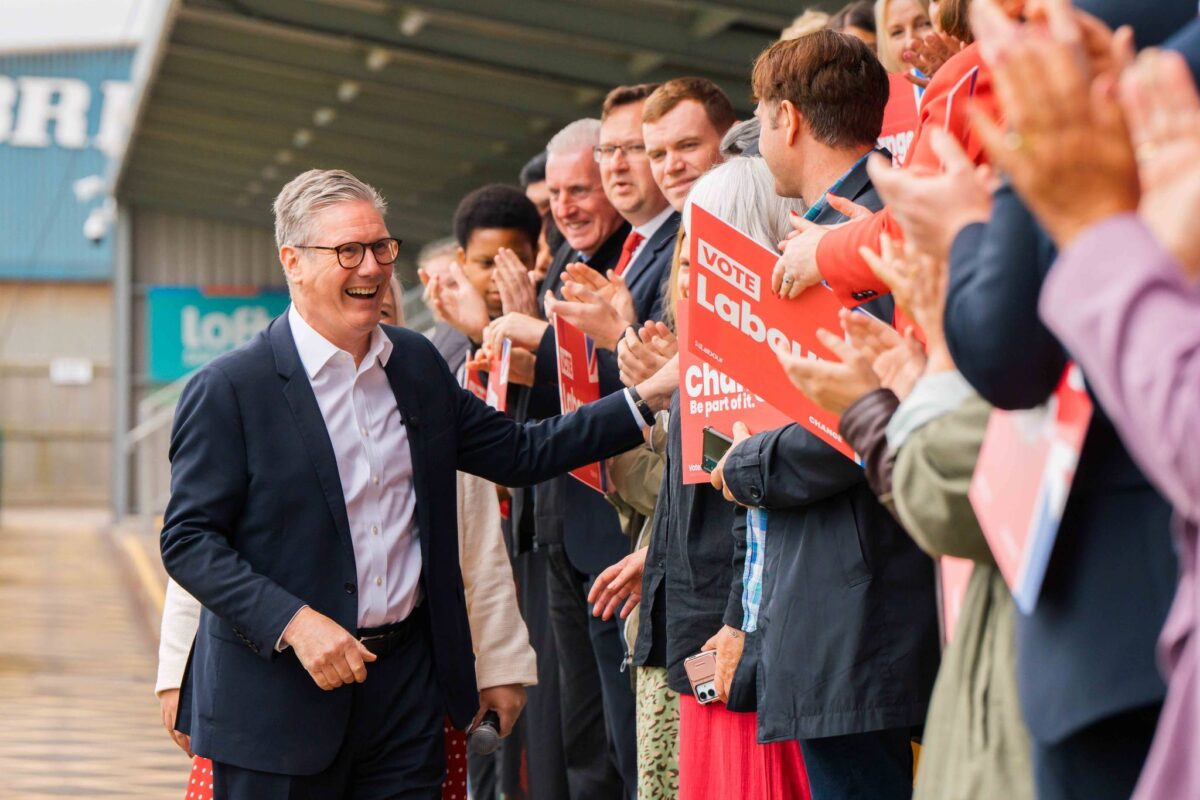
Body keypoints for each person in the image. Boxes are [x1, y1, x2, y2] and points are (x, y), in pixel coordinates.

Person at [159, 168, 673, 798]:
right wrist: (295, 624)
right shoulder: (230, 389)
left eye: (380, 247)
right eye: (347, 251)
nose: (371, 268)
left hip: (406, 698)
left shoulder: (416, 364)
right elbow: (189, 541)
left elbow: (521, 451)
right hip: (278, 702)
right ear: (292, 262)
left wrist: (646, 396)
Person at [710, 32, 940, 800]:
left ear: (786, 119)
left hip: (863, 596)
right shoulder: (858, 219)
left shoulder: (856, 231)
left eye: (757, 116)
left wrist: (743, 465)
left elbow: (855, 409)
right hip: (856, 591)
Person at [598, 156, 813, 800]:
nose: (690, 273)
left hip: (726, 638)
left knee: (736, 772)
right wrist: (653, 555)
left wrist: (737, 628)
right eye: (686, 254)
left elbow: (750, 516)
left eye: (708, 251)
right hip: (683, 626)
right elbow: (685, 490)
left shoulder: (768, 361)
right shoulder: (704, 358)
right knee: (687, 771)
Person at [641, 77, 736, 214]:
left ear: (734, 141)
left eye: (687, 146)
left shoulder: (773, 227)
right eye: (658, 155)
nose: (671, 167)